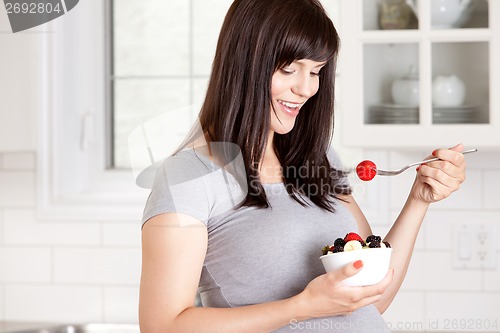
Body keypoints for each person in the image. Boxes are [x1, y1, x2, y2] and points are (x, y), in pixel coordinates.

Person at [138, 0, 467, 332]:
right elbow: (162, 325)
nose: (306, 88)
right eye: (289, 69)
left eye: (316, 71)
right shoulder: (188, 176)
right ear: (244, 62)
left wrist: (419, 200)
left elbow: (370, 297)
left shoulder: (316, 157)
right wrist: (301, 307)